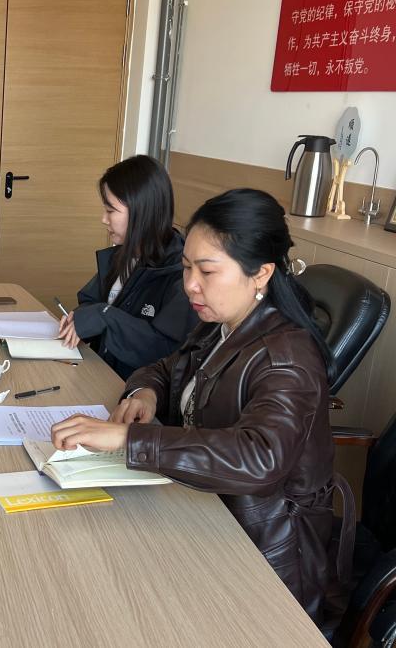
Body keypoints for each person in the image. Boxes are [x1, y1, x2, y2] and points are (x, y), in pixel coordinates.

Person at [49, 188, 337, 621]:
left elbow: (259, 458)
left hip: (264, 554)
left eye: (207, 270)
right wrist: (145, 393)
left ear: (260, 274)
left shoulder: (286, 357)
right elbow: (167, 368)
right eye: (186, 267)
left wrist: (129, 439)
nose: (189, 285)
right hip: (201, 506)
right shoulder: (222, 322)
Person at [58, 155, 197, 380]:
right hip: (98, 374)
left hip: (136, 391)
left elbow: (163, 350)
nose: (104, 219)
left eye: (110, 211)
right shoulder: (123, 255)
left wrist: (104, 316)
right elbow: (91, 302)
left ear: (141, 211)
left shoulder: (180, 274)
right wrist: (82, 321)